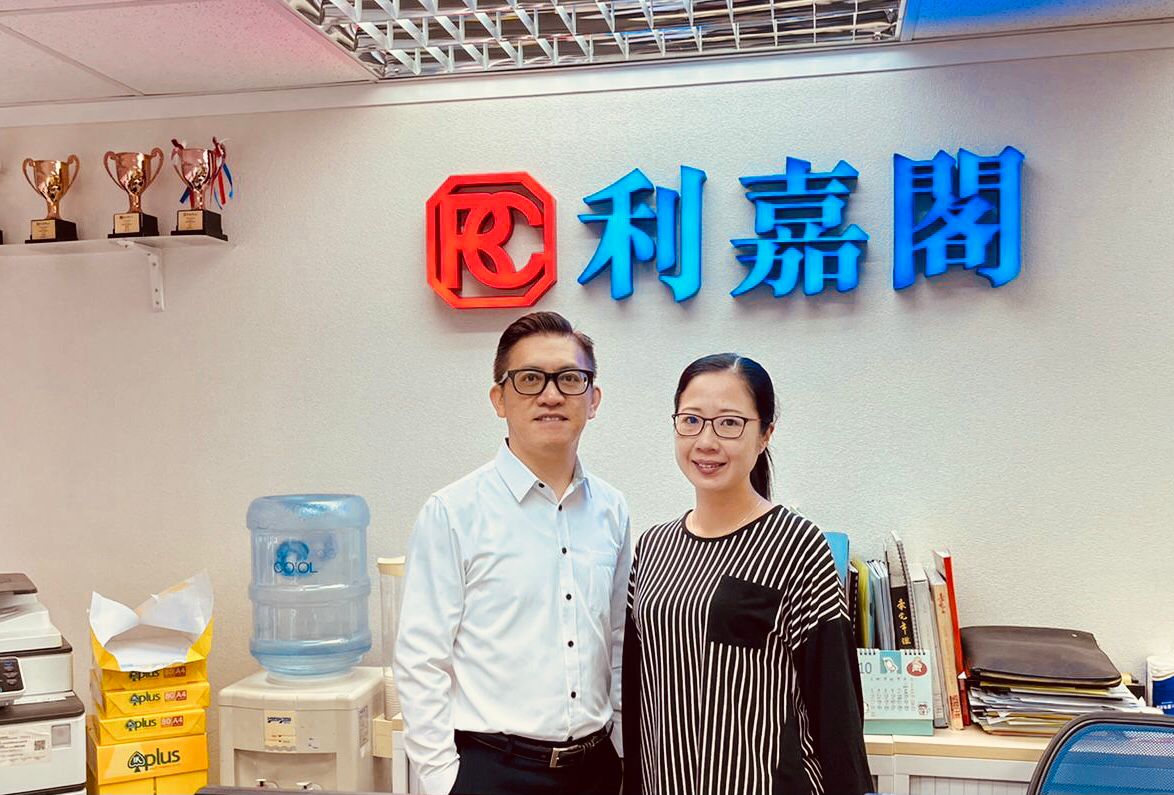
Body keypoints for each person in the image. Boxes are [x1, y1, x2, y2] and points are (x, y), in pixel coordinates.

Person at [396, 311, 630, 795]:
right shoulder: (453, 512)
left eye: (570, 378)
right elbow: (422, 659)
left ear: (593, 399)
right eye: (529, 379)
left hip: (596, 769)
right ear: (499, 399)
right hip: (492, 770)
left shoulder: (612, 509)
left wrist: (622, 750)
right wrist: (443, 780)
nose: (551, 395)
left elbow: (618, 640)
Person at [622, 353, 871, 795]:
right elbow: (637, 692)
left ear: (765, 434)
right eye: (691, 420)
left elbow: (837, 708)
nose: (706, 441)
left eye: (729, 424)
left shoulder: (797, 543)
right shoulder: (652, 547)